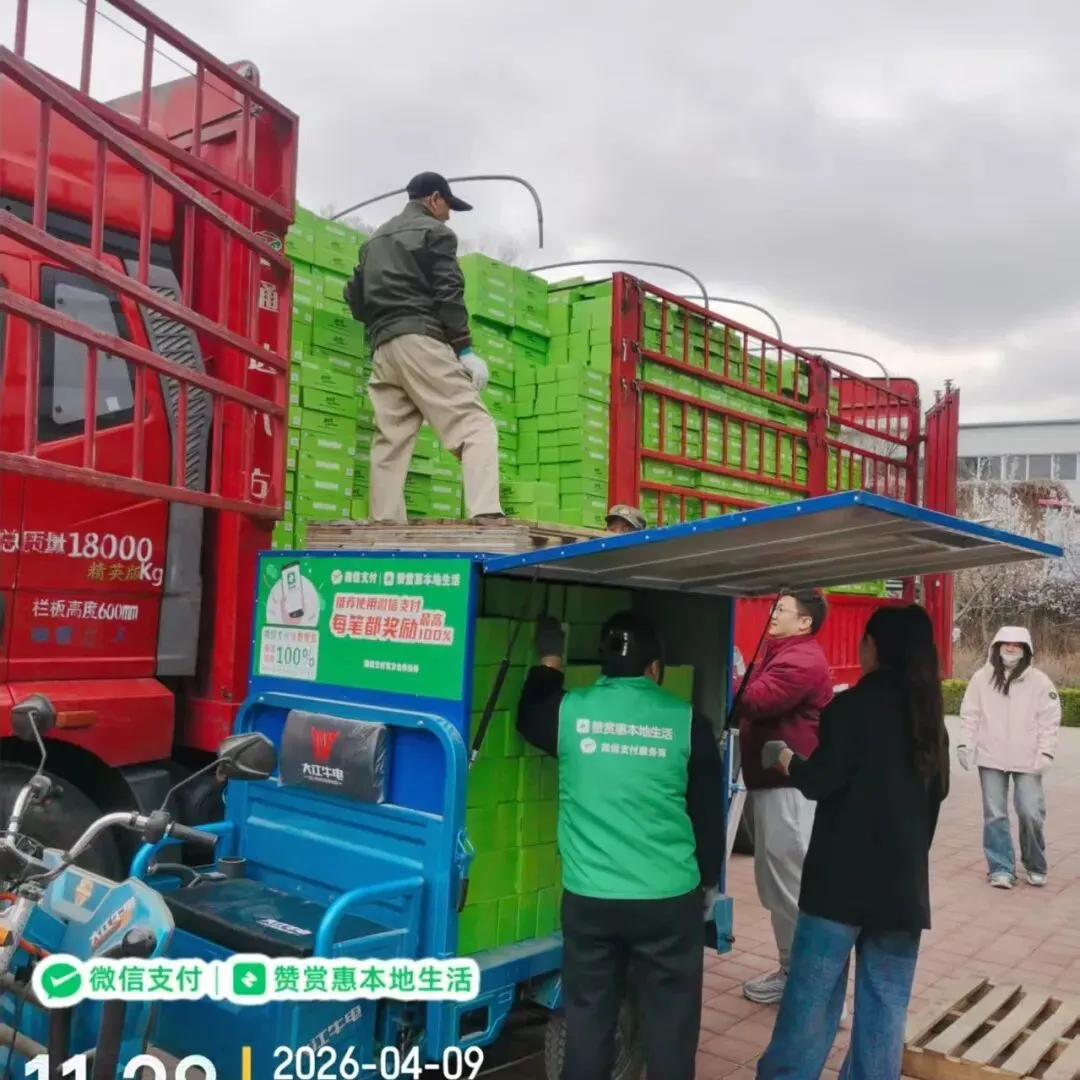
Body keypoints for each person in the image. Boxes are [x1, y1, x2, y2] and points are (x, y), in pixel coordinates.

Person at [516, 612, 725, 1080]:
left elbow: (529, 713)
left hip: (592, 902)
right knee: (670, 1032)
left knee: (589, 1025)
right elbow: (708, 819)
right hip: (668, 902)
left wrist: (549, 658)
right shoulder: (688, 723)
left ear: (604, 665)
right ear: (655, 668)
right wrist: (708, 883)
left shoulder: (568, 713)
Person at [754, 605, 950, 1080]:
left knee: (811, 1001)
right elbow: (937, 795)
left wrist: (784, 757)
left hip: (838, 887)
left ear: (874, 647)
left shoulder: (852, 707)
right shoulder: (930, 719)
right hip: (901, 890)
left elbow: (820, 780)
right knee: (885, 1007)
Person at [343, 172, 504, 525]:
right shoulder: (436, 233)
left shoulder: (374, 241)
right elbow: (448, 293)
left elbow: (353, 295)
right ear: (434, 199)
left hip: (383, 348)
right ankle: (486, 513)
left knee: (391, 439)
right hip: (422, 340)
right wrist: (464, 350)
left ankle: (385, 523)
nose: (449, 215)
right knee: (475, 425)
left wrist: (382, 322)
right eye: (448, 206)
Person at [734, 590, 832, 1005]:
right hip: (773, 784)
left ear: (805, 622)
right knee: (776, 884)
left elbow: (754, 699)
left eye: (781, 610)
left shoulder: (801, 659)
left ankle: (818, 990)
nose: (772, 614)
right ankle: (792, 971)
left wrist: (728, 671)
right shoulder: (781, 653)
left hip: (789, 788)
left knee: (792, 886)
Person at [956, 626, 1061, 889]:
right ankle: (1000, 868)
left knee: (1030, 812)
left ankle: (1035, 864)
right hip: (991, 757)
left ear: (1026, 649)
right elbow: (970, 714)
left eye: (1017, 644)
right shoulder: (982, 679)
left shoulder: (1040, 682)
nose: (1011, 648)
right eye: (1006, 643)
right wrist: (966, 744)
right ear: (997, 646)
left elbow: (1049, 720)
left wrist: (1046, 752)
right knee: (995, 815)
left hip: (1028, 758)